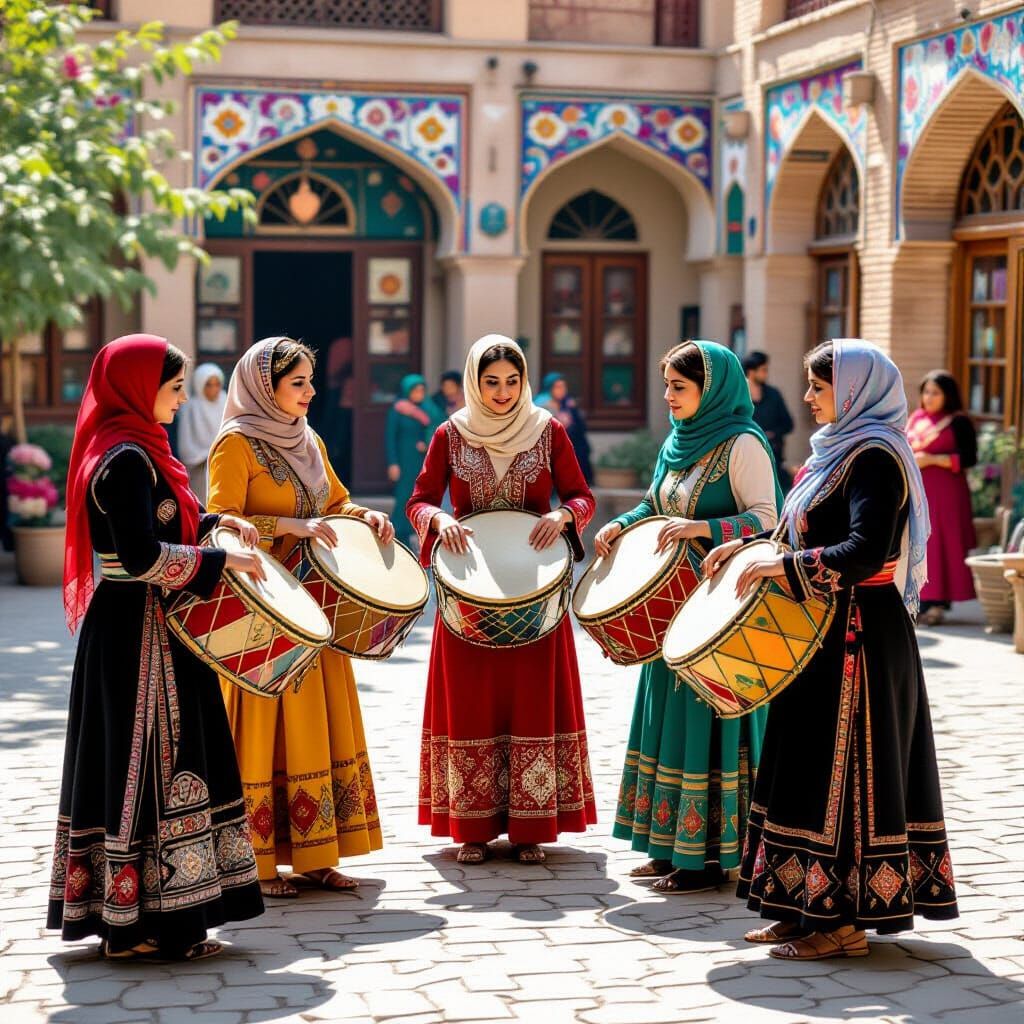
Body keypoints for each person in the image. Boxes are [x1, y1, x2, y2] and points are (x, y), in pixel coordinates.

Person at [704, 339, 958, 960]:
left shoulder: (876, 458)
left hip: (861, 643)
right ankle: (798, 908)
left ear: (851, 392)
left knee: (841, 776)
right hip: (820, 633)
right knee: (802, 766)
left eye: (819, 389)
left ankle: (840, 923)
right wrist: (747, 551)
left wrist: (783, 566)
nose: (810, 399)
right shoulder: (835, 455)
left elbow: (867, 551)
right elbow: (801, 531)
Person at [48, 334, 264, 961]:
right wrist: (219, 561)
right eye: (172, 390)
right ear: (141, 389)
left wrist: (220, 525)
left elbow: (178, 520)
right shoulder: (121, 462)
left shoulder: (143, 452)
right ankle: (133, 924)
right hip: (134, 634)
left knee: (164, 762)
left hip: (159, 629)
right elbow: (140, 555)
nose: (178, 402)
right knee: (143, 764)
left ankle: (163, 916)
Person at [207, 337, 394, 899]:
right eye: (298, 384)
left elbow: (334, 502)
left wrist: (366, 515)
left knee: (318, 724)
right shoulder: (234, 446)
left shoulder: (307, 439)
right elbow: (217, 521)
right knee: (264, 729)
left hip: (318, 606)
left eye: (312, 381)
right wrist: (287, 529)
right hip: (263, 611)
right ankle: (258, 862)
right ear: (267, 389)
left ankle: (317, 856)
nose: (312, 392)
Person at [593, 341, 782, 894]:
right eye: (667, 386)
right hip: (668, 611)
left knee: (708, 721)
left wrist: (705, 530)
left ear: (711, 388)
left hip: (719, 613)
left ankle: (706, 859)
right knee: (666, 721)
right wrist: (619, 524)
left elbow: (767, 520)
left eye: (679, 387)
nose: (669, 397)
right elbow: (657, 506)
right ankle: (666, 846)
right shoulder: (678, 443)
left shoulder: (743, 443)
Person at [408, 334, 597, 865]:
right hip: (468, 591)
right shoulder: (449, 434)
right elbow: (419, 500)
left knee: (531, 697)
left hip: (536, 594)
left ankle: (530, 827)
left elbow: (581, 495)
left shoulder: (548, 430)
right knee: (472, 699)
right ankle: (470, 826)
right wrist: (439, 518)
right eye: (491, 382)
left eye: (512, 382)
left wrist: (563, 516)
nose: (502, 393)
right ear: (474, 381)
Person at [907, 370, 977, 626]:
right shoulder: (916, 419)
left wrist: (934, 459)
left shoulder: (958, 422)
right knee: (919, 542)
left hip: (947, 494)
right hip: (919, 492)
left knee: (940, 544)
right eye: (926, 392)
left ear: (948, 395)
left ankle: (937, 603)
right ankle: (920, 600)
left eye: (936, 392)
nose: (929, 397)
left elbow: (970, 457)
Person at [387, 375, 441, 548]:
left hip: (423, 461)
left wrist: (426, 442)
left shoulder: (429, 408)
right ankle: (398, 534)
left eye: (421, 390)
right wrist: (392, 463)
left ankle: (419, 533)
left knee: (422, 496)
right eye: (415, 390)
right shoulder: (398, 410)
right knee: (404, 496)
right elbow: (390, 438)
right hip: (404, 461)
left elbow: (439, 427)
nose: (419, 394)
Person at [176, 362, 227, 503]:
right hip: (199, 466)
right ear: (200, 385)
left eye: (217, 384)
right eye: (209, 385)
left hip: (224, 462)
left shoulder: (226, 401)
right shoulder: (191, 407)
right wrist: (205, 454)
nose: (214, 389)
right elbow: (185, 441)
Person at [743, 351, 794, 491]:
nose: (766, 374)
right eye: (763, 370)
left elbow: (788, 424)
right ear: (751, 371)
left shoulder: (774, 394)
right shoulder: (740, 396)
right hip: (746, 458)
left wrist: (772, 433)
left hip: (773, 457)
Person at [535, 372, 594, 484]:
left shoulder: (567, 402)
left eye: (563, 386)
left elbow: (579, 427)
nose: (562, 390)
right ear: (550, 388)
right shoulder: (542, 404)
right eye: (558, 387)